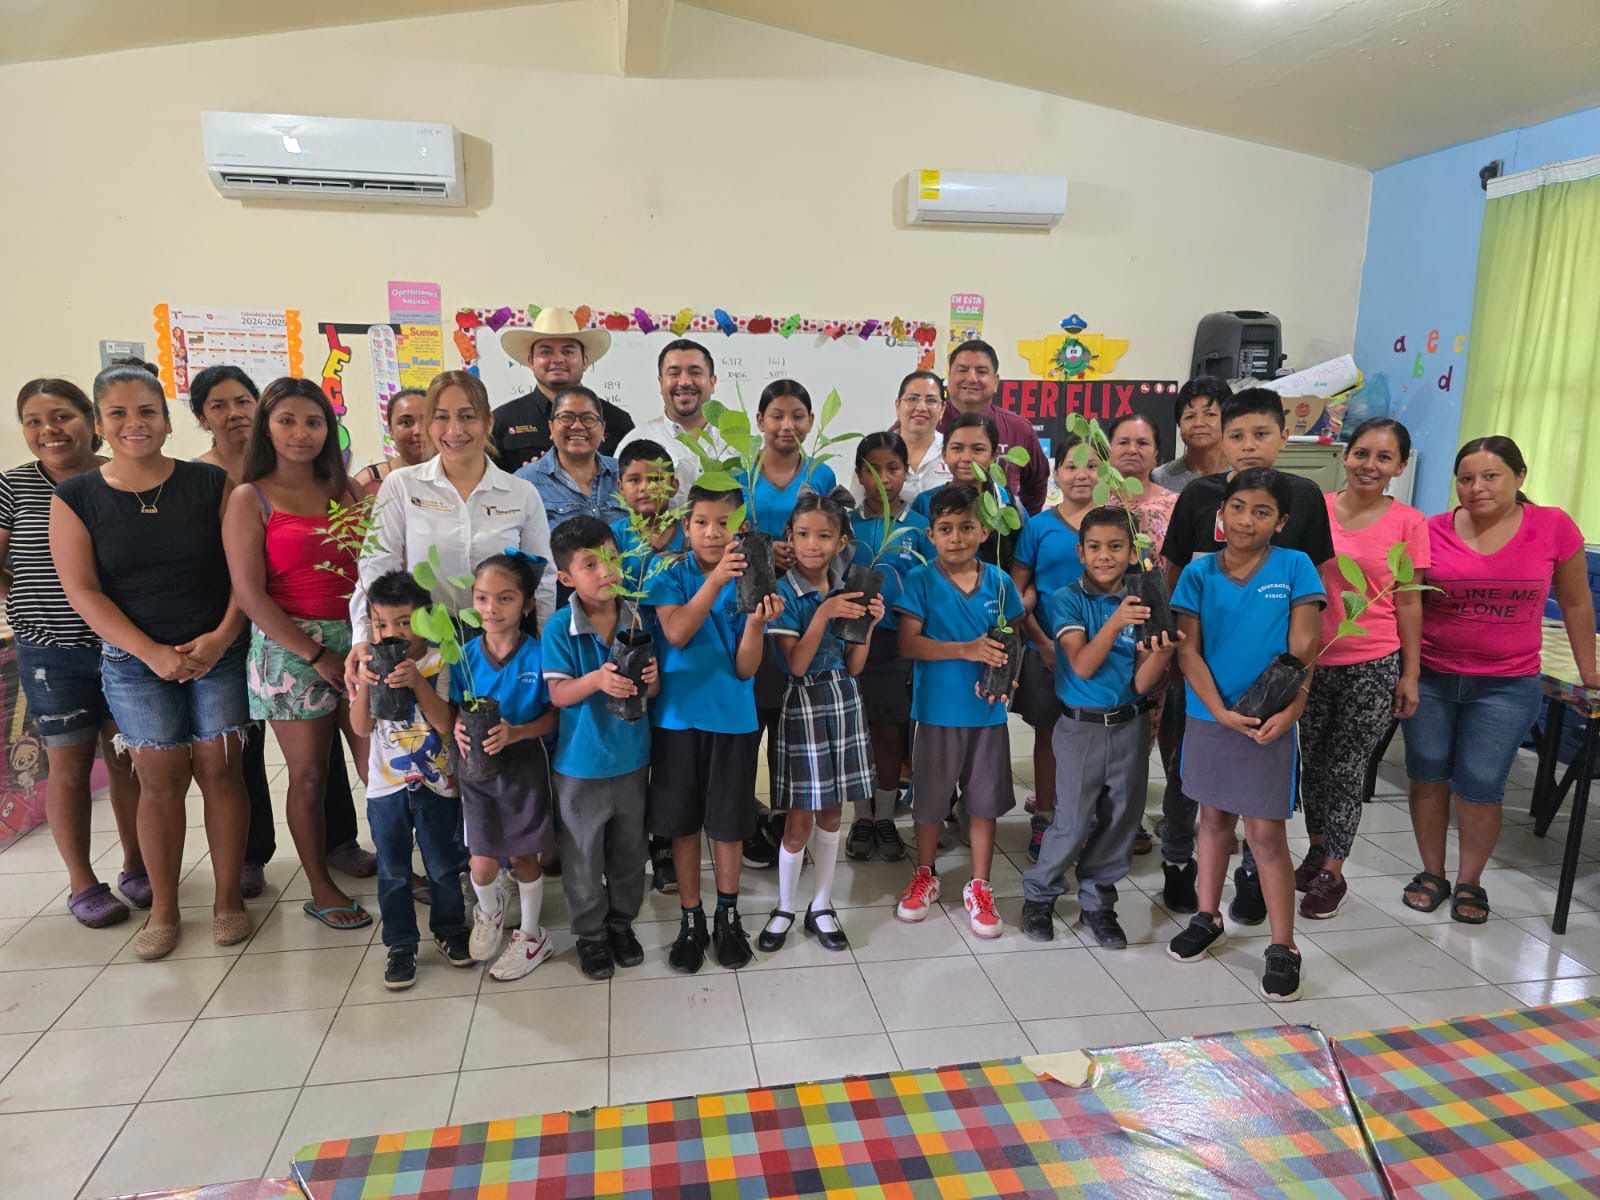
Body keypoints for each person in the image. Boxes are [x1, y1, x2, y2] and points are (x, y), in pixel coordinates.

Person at [51, 365, 251, 961]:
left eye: (147, 411)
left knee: (222, 772)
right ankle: (165, 907)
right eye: (118, 413)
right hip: (135, 663)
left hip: (217, 652)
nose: (134, 424)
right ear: (99, 424)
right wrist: (151, 653)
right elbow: (83, 591)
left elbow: (245, 574)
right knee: (159, 783)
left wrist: (221, 637)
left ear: (166, 420)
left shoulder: (209, 483)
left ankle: (227, 901)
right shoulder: (77, 497)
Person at [188, 364, 370, 896]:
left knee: (378, 767)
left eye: (313, 422)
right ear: (267, 427)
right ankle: (320, 886)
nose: (301, 433)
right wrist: (314, 654)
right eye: (287, 420)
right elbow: (249, 595)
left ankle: (402, 871)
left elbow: (372, 568)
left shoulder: (347, 489)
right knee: (309, 774)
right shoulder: (251, 497)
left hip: (357, 640)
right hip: (290, 650)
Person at [1401, 436, 1598, 924]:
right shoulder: (1430, 530)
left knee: (1482, 783)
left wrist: (1588, 671)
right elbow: (1408, 604)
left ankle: (1470, 881)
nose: (1477, 488)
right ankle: (1432, 873)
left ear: (1519, 476)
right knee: (1427, 775)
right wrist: (1408, 672)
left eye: (1491, 476)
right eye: (1466, 479)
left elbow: (1576, 602)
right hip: (1433, 678)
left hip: (1507, 685)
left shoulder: (1553, 526)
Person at [1159, 388, 1335, 921]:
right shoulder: (1198, 503)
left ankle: (1257, 887)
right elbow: (1174, 577)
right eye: (1237, 435)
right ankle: (1181, 867)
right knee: (1193, 787)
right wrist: (1175, 656)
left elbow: (1309, 615)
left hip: (1272, 692)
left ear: (1284, 436)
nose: (1249, 445)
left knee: (1262, 820)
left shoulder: (1303, 503)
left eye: (1262, 433)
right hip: (1203, 679)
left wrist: (1296, 696)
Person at [1166, 468, 1324, 1003]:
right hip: (1209, 718)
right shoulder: (1198, 573)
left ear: (1280, 521)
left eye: (1261, 512)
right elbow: (1188, 651)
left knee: (1264, 835)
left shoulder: (1295, 567)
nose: (1246, 521)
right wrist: (1217, 710)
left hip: (1268, 721)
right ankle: (1207, 917)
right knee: (1212, 820)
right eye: (1237, 508)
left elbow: (1303, 650)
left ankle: (1284, 946)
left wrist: (1294, 707)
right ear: (1221, 513)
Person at [3, 380, 142, 926]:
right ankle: (83, 884)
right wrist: (26, 600)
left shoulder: (122, 476)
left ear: (91, 419)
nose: (49, 431)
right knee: (68, 766)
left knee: (129, 760)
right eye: (34, 421)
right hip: (51, 653)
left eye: (62, 416)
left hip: (125, 646)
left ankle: (138, 865)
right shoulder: (13, 487)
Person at [1020, 506, 1179, 948]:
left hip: (1130, 725)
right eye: (1094, 547)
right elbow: (1083, 665)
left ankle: (1098, 901)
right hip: (1081, 728)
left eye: (1115, 546)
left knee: (1122, 819)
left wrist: (1165, 650)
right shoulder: (1068, 598)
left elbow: (1143, 683)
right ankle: (1040, 894)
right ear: (1081, 552)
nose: (1104, 555)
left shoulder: (1143, 598)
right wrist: (1115, 621)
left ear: (1132, 552)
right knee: (1071, 821)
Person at [347, 370, 557, 691]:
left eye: (467, 416)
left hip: (499, 649)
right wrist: (363, 637)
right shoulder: (402, 486)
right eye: (441, 417)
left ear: (488, 422)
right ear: (429, 425)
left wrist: (545, 652)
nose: (454, 430)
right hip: (421, 649)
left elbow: (542, 580)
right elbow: (376, 565)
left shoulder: (521, 493)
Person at [645, 484, 783, 972]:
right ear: (685, 527)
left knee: (727, 824)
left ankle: (728, 914)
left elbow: (746, 668)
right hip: (677, 720)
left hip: (733, 720)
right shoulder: (668, 574)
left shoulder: (750, 576)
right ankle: (691, 917)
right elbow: (677, 632)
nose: (712, 532)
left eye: (724, 523)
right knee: (683, 825)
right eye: (701, 522)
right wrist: (716, 579)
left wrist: (757, 624)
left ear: (740, 529)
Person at [1295, 419, 1428, 920]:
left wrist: (1409, 674)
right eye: (1362, 453)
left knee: (1347, 767)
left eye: (1384, 457)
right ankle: (1315, 849)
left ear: (1400, 466)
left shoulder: (1409, 524)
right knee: (1312, 762)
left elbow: (1409, 602)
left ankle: (1333, 870)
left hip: (1372, 663)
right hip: (1312, 661)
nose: (1370, 465)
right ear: (1346, 456)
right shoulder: (1317, 509)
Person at [893, 484, 1024, 937]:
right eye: (945, 529)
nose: (956, 538)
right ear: (930, 534)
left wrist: (1010, 677)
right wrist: (965, 649)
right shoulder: (920, 581)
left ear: (984, 531)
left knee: (983, 802)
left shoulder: (1000, 582)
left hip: (987, 715)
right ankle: (925, 874)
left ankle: (980, 884)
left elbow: (1013, 639)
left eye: (966, 527)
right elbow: (908, 644)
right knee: (930, 800)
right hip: (935, 712)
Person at [759, 493, 884, 955]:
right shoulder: (784, 593)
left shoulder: (849, 588)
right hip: (803, 704)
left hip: (844, 700)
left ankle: (821, 904)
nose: (813, 544)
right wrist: (826, 612)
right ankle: (785, 905)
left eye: (825, 535)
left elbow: (854, 666)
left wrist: (869, 626)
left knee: (833, 813)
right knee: (799, 818)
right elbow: (795, 665)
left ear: (841, 542)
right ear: (789, 538)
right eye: (804, 534)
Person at [544, 518, 660, 980]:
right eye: (590, 565)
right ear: (566, 577)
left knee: (630, 851)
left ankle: (621, 924)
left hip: (632, 759)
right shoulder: (560, 627)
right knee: (583, 857)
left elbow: (653, 688)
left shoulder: (636, 615)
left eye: (611, 558)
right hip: (581, 766)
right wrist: (595, 680)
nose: (606, 571)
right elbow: (558, 694)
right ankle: (590, 935)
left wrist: (651, 679)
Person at [349, 570, 471, 990]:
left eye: (404, 622)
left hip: (438, 785)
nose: (391, 633)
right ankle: (400, 944)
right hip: (386, 789)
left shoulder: (441, 660)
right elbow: (361, 728)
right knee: (393, 870)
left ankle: (450, 928)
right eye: (380, 624)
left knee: (444, 865)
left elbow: (444, 723)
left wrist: (417, 681)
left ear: (425, 619)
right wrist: (366, 684)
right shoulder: (368, 664)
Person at [740, 379, 838, 871]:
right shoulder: (740, 472)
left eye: (797, 416)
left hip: (801, 611)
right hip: (751, 614)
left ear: (811, 422)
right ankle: (742, 821)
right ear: (759, 420)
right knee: (749, 722)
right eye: (776, 415)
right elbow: (724, 536)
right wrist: (762, 549)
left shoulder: (821, 474)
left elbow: (831, 532)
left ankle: (785, 820)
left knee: (790, 723)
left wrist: (800, 551)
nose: (786, 425)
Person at [453, 552, 560, 981]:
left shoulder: (539, 655)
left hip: (524, 767)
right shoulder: (463, 657)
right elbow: (454, 709)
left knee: (522, 857)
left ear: (527, 604)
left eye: (505, 598)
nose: (491, 608)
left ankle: (532, 936)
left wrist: (518, 733)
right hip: (476, 772)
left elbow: (555, 715)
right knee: (481, 865)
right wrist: (457, 726)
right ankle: (490, 909)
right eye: (482, 598)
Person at [1010, 434, 1097, 862]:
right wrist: (1041, 642)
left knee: (1091, 739)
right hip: (1047, 650)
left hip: (1100, 654)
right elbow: (1018, 593)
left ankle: (1082, 818)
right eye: (1071, 466)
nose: (1082, 475)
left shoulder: (1116, 523)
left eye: (1091, 465)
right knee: (1049, 735)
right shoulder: (1038, 527)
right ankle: (1044, 817)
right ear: (1056, 473)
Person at [845, 433, 931, 862]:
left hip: (897, 645)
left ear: (906, 473)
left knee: (888, 730)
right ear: (859, 474)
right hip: (851, 642)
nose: (883, 478)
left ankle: (884, 816)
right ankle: (861, 816)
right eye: (873, 469)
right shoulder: (846, 525)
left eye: (893, 468)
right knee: (855, 730)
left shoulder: (917, 527)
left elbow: (928, 584)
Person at [1102, 411, 1179, 857]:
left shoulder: (1173, 504)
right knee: (1098, 728)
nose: (1132, 450)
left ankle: (1126, 820)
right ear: (1108, 450)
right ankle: (1091, 814)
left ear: (1157, 453)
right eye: (1123, 442)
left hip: (1151, 634)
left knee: (1140, 731)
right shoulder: (1094, 500)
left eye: (1143, 443)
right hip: (1099, 632)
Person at [610, 440, 685, 895]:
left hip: (680, 659)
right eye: (634, 480)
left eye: (655, 479)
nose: (644, 488)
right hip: (631, 660)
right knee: (636, 749)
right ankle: (630, 842)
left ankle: (666, 843)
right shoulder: (614, 537)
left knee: (672, 755)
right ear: (620, 487)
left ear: (673, 485)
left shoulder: (689, 532)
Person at [492, 307, 632, 471]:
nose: (558, 359)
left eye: (568, 351)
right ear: (530, 361)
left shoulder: (617, 421)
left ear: (585, 361)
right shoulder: (502, 420)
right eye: (546, 351)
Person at [941, 340, 1047, 514]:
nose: (971, 378)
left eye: (981, 371)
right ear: (949, 378)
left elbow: (1037, 484)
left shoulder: (1019, 429)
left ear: (995, 381)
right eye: (962, 370)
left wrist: (1017, 522)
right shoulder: (925, 422)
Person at [615, 339, 724, 505]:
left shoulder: (735, 442)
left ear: (712, 382)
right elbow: (619, 508)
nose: (684, 382)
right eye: (674, 373)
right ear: (661, 383)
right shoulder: (635, 441)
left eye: (695, 372)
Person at [515, 385, 627, 531]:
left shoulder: (625, 473)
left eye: (588, 418)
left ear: (602, 429)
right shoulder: (524, 484)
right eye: (566, 418)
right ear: (551, 427)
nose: (577, 426)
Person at [868, 371, 949, 507]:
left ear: (942, 409)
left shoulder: (954, 450)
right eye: (912, 399)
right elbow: (858, 507)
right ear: (898, 406)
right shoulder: (875, 450)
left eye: (931, 400)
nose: (921, 408)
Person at [1151, 378, 1228, 492]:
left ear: (1228, 419)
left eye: (1210, 414)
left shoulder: (1243, 472)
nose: (1199, 423)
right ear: (1179, 424)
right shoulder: (1160, 478)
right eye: (1190, 416)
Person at [353, 387, 431, 497]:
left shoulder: (453, 478)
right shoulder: (369, 483)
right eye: (406, 422)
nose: (418, 431)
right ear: (390, 430)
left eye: (426, 421)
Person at [189, 364, 259, 482]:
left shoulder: (283, 465)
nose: (234, 413)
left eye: (243, 402)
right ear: (203, 420)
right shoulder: (195, 476)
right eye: (219, 406)